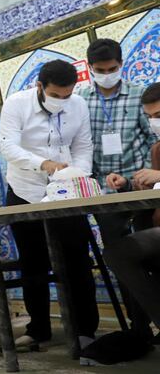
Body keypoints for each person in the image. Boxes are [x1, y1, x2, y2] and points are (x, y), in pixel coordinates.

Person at [0, 59, 98, 349]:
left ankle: (85, 329)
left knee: (77, 259)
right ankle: (38, 329)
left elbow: (83, 145)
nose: (62, 101)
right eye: (55, 95)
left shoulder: (78, 105)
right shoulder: (17, 104)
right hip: (24, 188)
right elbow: (8, 146)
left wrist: (77, 175)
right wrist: (44, 164)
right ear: (39, 86)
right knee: (33, 262)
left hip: (66, 190)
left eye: (67, 95)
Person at [79, 38, 155, 338]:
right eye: (101, 69)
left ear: (121, 65)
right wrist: (101, 178)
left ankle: (155, 317)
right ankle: (139, 327)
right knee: (120, 260)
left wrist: (147, 175)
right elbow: (84, 147)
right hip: (106, 191)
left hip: (141, 190)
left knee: (149, 255)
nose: (107, 73)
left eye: (113, 68)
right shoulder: (82, 100)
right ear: (90, 69)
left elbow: (151, 140)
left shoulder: (138, 94)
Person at [103, 82, 160, 344]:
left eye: (158, 116)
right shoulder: (157, 149)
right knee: (119, 252)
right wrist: (130, 183)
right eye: (149, 118)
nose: (153, 123)